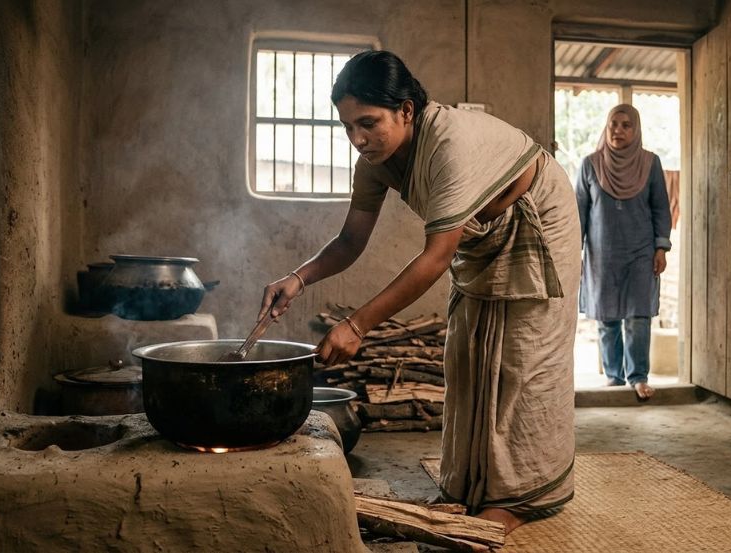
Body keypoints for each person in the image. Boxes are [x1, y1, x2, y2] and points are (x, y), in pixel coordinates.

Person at [257, 50, 580, 534]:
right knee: (467, 357)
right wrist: (298, 278)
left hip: (538, 222)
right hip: (481, 237)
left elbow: (435, 258)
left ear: (406, 110)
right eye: (347, 126)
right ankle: (468, 488)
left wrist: (356, 326)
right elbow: (350, 241)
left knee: (522, 362)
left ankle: (518, 498)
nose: (357, 138)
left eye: (368, 123)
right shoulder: (375, 160)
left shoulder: (449, 143)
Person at [575, 104, 672, 401]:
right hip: (602, 254)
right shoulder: (591, 164)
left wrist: (661, 247)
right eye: (613, 124)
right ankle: (614, 377)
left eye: (626, 125)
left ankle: (638, 377)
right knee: (607, 318)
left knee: (638, 317)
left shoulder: (650, 163)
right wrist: (574, 253)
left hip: (641, 251)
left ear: (636, 130)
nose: (618, 130)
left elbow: (660, 207)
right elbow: (579, 212)